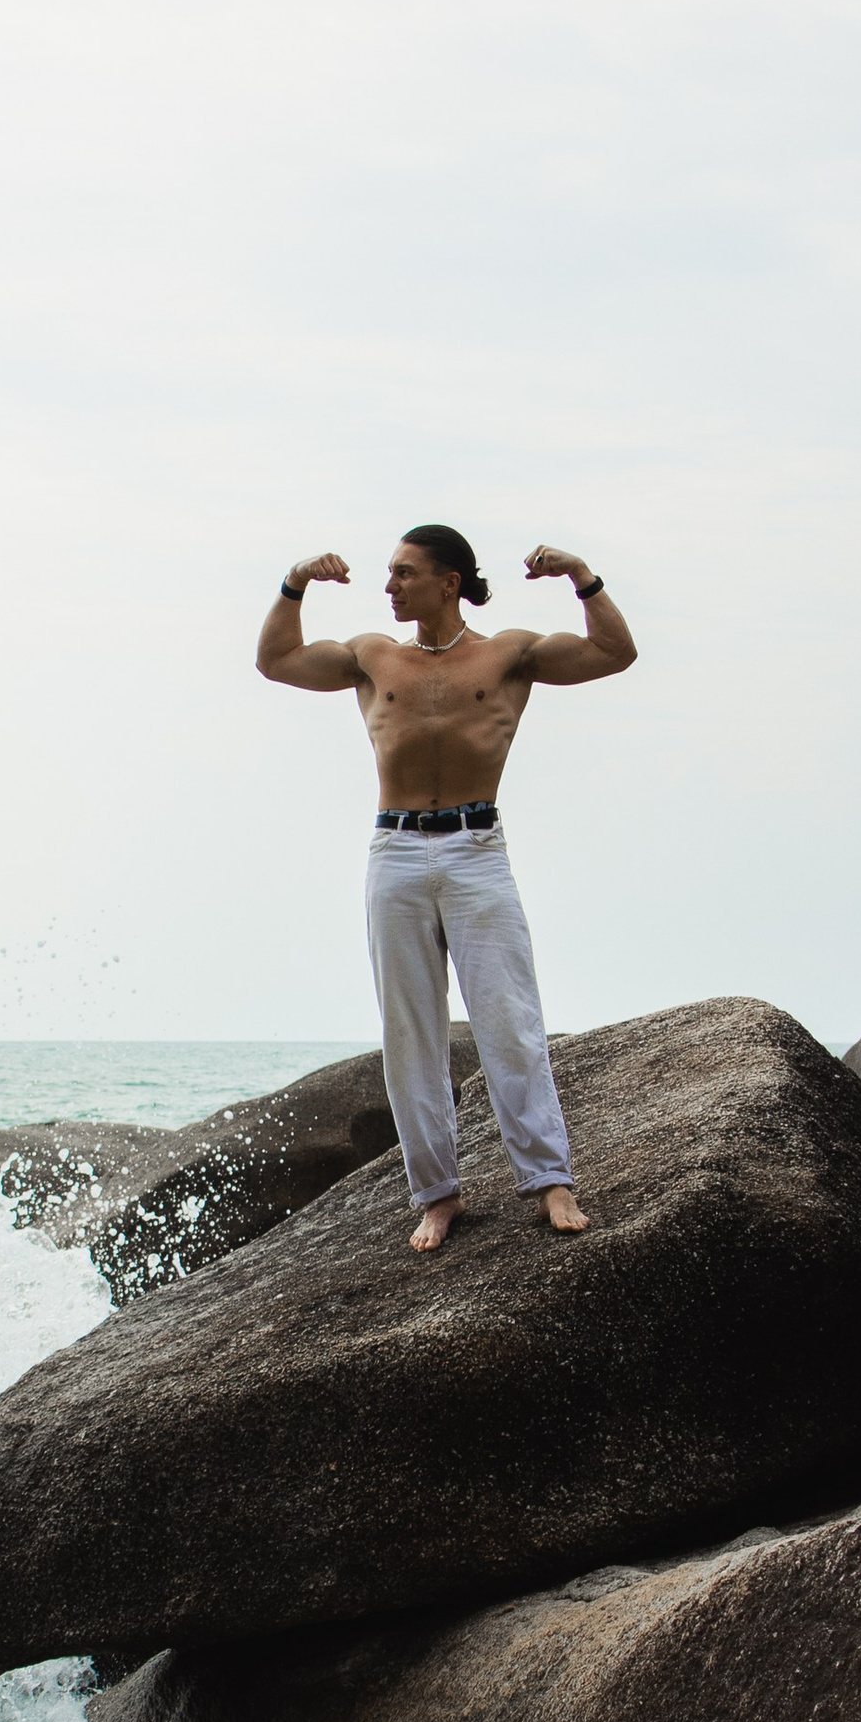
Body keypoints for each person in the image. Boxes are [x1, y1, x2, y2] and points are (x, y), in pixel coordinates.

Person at [256, 526, 637, 1251]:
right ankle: (438, 1195)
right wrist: (295, 581)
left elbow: (615, 653)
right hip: (394, 851)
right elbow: (275, 660)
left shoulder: (509, 653)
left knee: (508, 1017)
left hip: (477, 850)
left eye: (403, 573)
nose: (390, 585)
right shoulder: (373, 655)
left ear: (448, 582)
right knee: (410, 1033)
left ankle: (550, 1181)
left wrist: (582, 575)